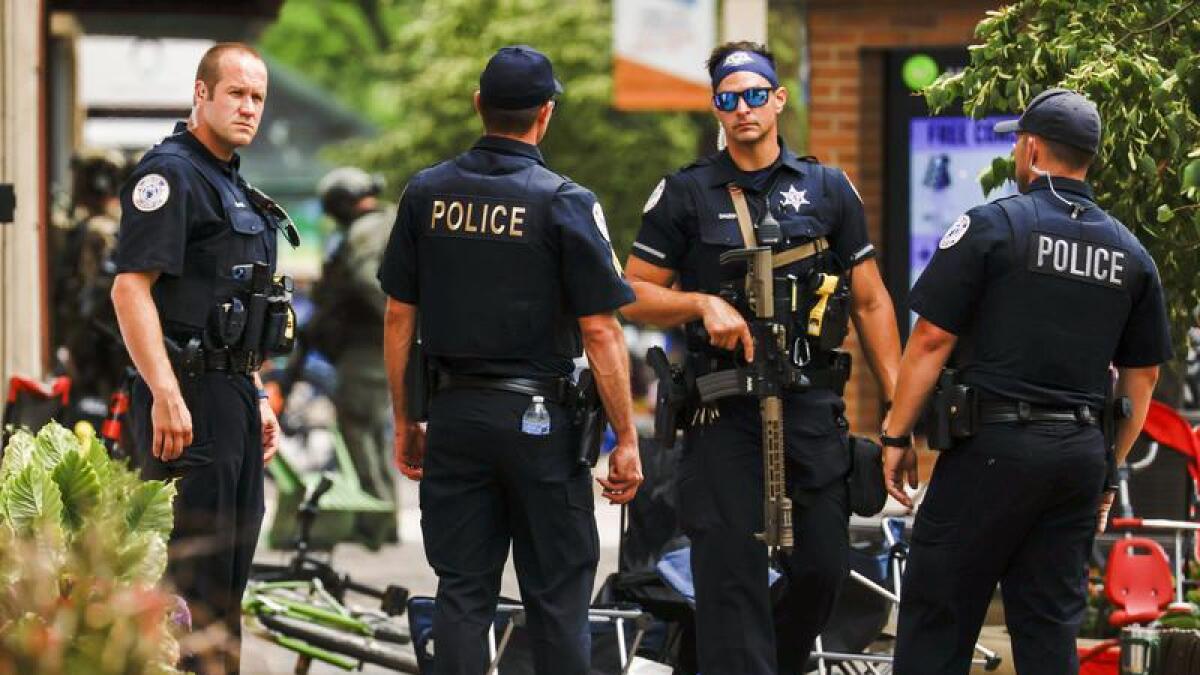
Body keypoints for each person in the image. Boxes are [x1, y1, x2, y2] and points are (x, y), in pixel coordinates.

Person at [622, 41, 902, 674]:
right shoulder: (685, 193)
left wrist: (898, 413)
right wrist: (700, 305)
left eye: (754, 95)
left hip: (810, 407)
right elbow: (631, 293)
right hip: (723, 413)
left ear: (778, 99)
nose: (742, 108)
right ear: (716, 108)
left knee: (822, 570)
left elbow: (872, 301)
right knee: (730, 579)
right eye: (728, 98)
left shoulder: (828, 188)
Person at [881, 88, 1172, 674]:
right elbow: (1142, 377)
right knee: (1047, 630)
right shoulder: (1131, 253)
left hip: (993, 449)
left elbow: (931, 339)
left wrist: (894, 436)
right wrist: (1106, 465)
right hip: (1077, 461)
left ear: (1032, 149)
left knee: (939, 615)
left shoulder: (992, 227)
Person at [379, 45, 644, 675]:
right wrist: (626, 437)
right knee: (556, 599)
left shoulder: (426, 193)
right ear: (545, 114)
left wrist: (406, 420)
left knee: (463, 595)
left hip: (455, 414)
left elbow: (398, 318)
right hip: (541, 424)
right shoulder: (565, 201)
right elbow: (602, 332)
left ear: (479, 105)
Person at [111, 42, 293, 673]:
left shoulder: (229, 180)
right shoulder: (171, 175)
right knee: (190, 578)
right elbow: (130, 288)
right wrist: (164, 392)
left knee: (229, 578)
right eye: (236, 93)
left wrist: (259, 394)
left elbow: (239, 301)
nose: (248, 108)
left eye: (258, 97)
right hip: (185, 401)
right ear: (202, 94)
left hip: (233, 398)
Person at [311, 166, 398, 544]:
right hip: (374, 347)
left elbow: (366, 282)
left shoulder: (364, 232)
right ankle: (383, 518)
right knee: (374, 432)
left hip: (365, 348)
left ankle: (375, 521)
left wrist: (398, 326)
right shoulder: (388, 223)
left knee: (360, 431)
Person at [56, 149, 132, 401]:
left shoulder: (100, 230)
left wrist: (74, 344)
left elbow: (94, 295)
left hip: (100, 344)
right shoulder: (101, 225)